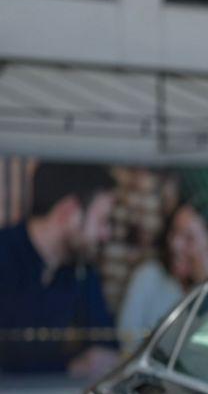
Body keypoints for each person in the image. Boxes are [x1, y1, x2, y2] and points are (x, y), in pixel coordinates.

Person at [0, 162, 119, 378]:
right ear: (69, 212)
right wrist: (69, 368)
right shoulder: (5, 255)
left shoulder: (82, 271)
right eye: (103, 221)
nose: (106, 234)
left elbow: (107, 344)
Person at [116, 199, 208, 351]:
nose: (175, 244)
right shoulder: (149, 277)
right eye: (174, 232)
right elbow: (127, 342)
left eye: (189, 238)